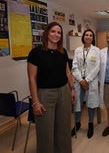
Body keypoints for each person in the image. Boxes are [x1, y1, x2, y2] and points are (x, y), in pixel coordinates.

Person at [27, 21, 75, 153]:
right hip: (45, 94)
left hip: (64, 92)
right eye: (53, 31)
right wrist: (35, 102)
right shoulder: (36, 53)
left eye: (59, 32)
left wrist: (72, 89)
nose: (56, 34)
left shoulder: (62, 52)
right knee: (45, 131)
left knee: (64, 129)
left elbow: (68, 72)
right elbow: (32, 78)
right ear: (47, 33)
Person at [71, 29, 100, 139]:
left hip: (90, 82)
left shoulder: (97, 50)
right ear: (83, 37)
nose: (88, 37)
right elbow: (74, 66)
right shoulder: (77, 50)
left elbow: (97, 67)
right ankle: (77, 124)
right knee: (78, 103)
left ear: (93, 38)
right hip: (79, 82)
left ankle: (90, 124)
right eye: (86, 35)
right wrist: (81, 80)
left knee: (91, 104)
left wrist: (86, 80)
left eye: (90, 35)